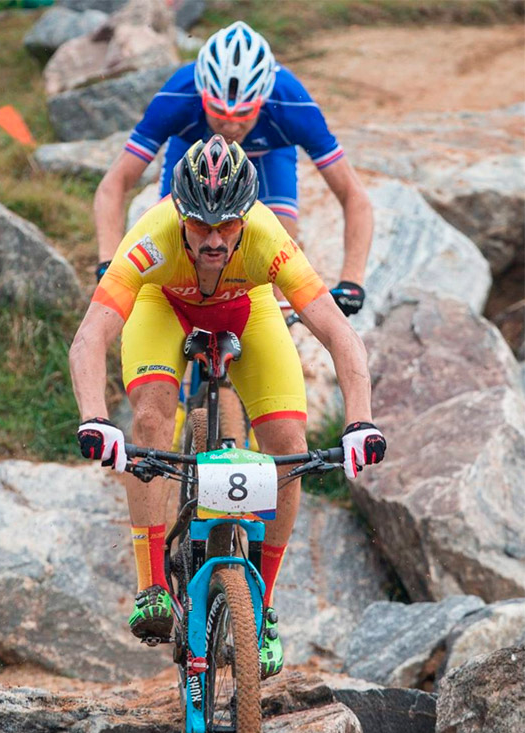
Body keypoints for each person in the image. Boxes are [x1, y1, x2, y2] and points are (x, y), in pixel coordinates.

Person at [71, 135, 385, 679]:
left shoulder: (267, 239)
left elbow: (339, 334)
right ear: (179, 214)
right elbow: (89, 340)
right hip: (162, 302)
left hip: (247, 308)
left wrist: (360, 421)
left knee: (291, 447)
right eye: (200, 225)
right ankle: (151, 587)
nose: (215, 239)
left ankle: (260, 612)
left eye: (228, 225)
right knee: (149, 419)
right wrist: (96, 418)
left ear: (247, 217)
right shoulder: (152, 238)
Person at [93, 20, 372, 318]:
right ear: (203, 96)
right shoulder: (179, 96)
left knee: (277, 259)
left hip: (267, 159)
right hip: (192, 154)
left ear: (263, 100)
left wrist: (352, 280)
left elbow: (353, 195)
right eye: (218, 113)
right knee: (175, 254)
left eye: (243, 114)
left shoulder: (291, 104)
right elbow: (116, 183)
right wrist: (109, 261)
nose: (230, 125)